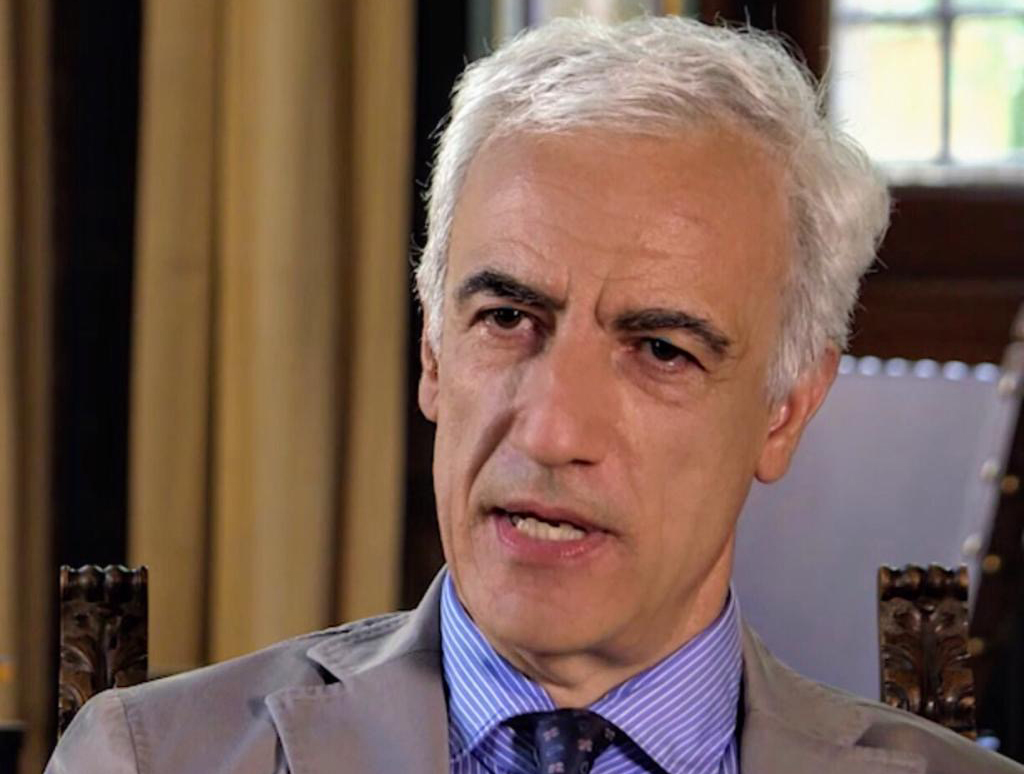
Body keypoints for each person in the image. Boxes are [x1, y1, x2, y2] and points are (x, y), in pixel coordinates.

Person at [47, 15, 1022, 774]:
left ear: (786, 410)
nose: (552, 431)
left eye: (660, 350)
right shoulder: (149, 759)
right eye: (507, 318)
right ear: (433, 352)